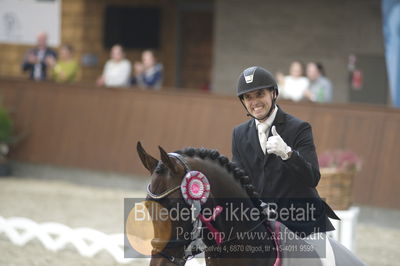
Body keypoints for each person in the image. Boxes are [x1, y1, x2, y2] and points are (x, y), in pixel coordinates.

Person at [231, 66, 342, 264]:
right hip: (263, 227)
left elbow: (312, 177)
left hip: (303, 223)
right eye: (248, 97)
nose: (254, 102)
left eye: (260, 94)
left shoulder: (299, 128)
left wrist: (288, 154)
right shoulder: (239, 134)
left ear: (274, 93)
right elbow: (238, 181)